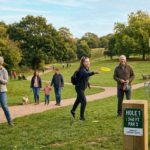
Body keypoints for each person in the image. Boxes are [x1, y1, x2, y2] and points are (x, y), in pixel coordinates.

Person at [70, 56, 99, 121]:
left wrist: (88, 84)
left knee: (78, 100)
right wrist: (93, 72)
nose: (88, 63)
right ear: (83, 63)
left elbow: (85, 78)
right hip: (79, 87)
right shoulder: (82, 69)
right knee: (84, 102)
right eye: (86, 62)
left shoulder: (86, 68)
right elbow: (86, 74)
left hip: (82, 87)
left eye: (88, 61)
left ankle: (72, 111)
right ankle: (81, 117)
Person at [0, 57, 14, 126]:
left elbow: (6, 81)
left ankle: (9, 120)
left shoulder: (4, 70)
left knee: (4, 106)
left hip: (2, 91)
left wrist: (1, 80)